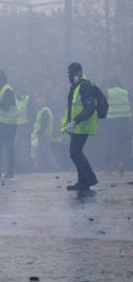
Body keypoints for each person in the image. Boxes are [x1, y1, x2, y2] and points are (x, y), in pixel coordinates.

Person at [61, 62, 99, 191]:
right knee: (76, 152)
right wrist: (69, 124)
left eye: (72, 73)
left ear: (79, 72)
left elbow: (90, 107)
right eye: (69, 74)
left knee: (75, 152)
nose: (71, 77)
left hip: (83, 125)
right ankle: (89, 177)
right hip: (77, 126)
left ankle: (84, 180)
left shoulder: (85, 86)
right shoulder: (76, 87)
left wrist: (75, 121)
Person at [0, 70, 17, 179]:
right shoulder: (2, 90)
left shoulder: (7, 90)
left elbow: (5, 106)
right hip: (1, 125)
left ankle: (10, 172)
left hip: (8, 125)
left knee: (9, 149)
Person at [101, 77, 132, 174]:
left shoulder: (108, 92)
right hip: (124, 122)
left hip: (111, 122)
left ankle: (108, 167)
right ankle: (121, 163)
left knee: (109, 144)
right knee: (122, 144)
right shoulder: (125, 92)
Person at [30, 94, 60, 172]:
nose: (38, 102)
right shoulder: (42, 110)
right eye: (38, 100)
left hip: (43, 135)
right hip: (43, 134)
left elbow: (44, 122)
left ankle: (55, 166)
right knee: (39, 152)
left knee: (46, 151)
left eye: (40, 100)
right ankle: (36, 168)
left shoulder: (45, 110)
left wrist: (40, 132)